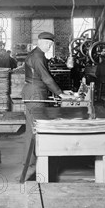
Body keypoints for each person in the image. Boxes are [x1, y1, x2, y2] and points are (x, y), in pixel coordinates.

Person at [22, 32, 74, 179]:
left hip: (33, 91)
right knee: (37, 128)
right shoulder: (38, 57)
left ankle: (31, 160)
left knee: (31, 128)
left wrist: (60, 91)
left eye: (51, 45)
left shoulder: (36, 53)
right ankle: (35, 163)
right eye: (47, 44)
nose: (49, 47)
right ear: (39, 41)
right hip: (35, 93)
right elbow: (46, 78)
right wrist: (61, 94)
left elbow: (45, 78)